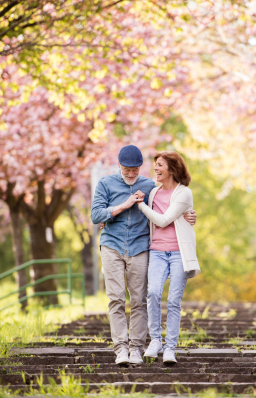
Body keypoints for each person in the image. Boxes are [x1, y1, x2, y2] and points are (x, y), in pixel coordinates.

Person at [90, 145, 196, 365]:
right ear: (119, 165)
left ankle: (136, 348)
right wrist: (122, 206)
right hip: (112, 245)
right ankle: (121, 348)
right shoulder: (105, 184)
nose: (131, 174)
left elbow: (171, 205)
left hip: (140, 247)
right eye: (127, 169)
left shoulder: (150, 187)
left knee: (139, 300)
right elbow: (96, 215)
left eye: (135, 170)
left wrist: (191, 215)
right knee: (116, 299)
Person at [135, 151, 200, 364]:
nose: (155, 169)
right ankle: (155, 340)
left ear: (172, 168)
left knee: (173, 301)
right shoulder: (153, 192)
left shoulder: (184, 193)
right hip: (157, 251)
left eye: (160, 165)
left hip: (179, 253)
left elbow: (163, 220)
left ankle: (170, 347)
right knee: (153, 293)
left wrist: (141, 206)